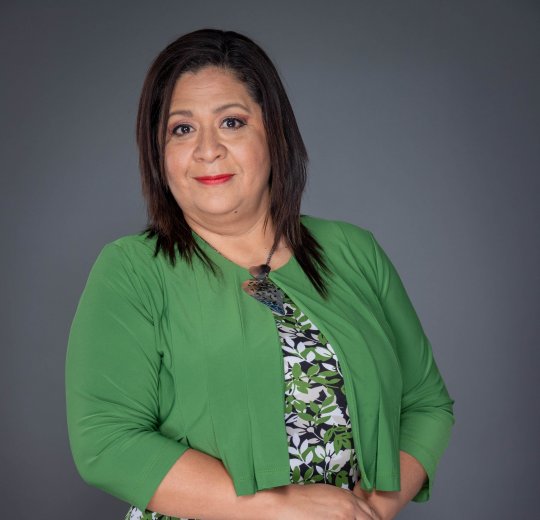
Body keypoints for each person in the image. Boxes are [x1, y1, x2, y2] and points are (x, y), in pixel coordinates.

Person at [65, 28, 455, 520]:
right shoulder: (132, 270)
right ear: (158, 152)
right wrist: (281, 509)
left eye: (231, 122)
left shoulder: (353, 251)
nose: (207, 149)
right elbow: (106, 441)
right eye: (181, 129)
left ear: (274, 134)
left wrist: (368, 511)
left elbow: (425, 404)